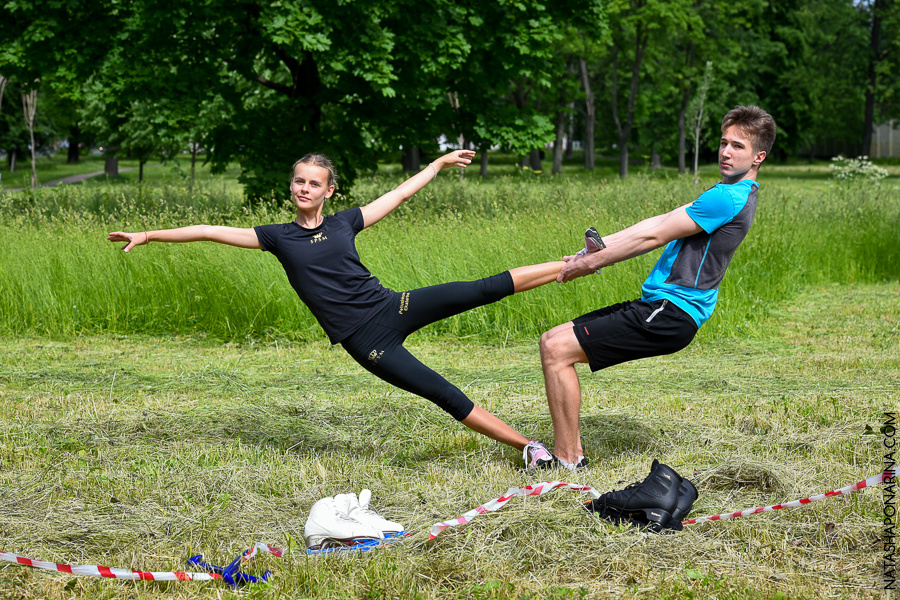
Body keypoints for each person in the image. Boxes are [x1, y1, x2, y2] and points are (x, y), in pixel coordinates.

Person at [108, 150, 562, 468]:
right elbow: (209, 230)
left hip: (392, 306)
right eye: (299, 181)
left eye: (314, 183)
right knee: (442, 393)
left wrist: (437, 164)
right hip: (365, 341)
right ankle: (531, 448)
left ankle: (572, 264)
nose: (304, 188)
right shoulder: (276, 236)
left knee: (479, 289)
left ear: (329, 190)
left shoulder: (347, 221)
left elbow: (399, 195)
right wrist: (147, 236)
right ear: (292, 186)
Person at [538, 105, 777, 470]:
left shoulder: (728, 198)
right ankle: (570, 455)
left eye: (738, 147)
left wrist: (592, 263)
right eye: (723, 142)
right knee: (553, 340)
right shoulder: (728, 192)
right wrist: (597, 245)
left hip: (672, 312)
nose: (726, 152)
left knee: (557, 349)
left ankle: (568, 461)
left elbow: (653, 236)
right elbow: (660, 220)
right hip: (664, 307)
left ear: (758, 156)